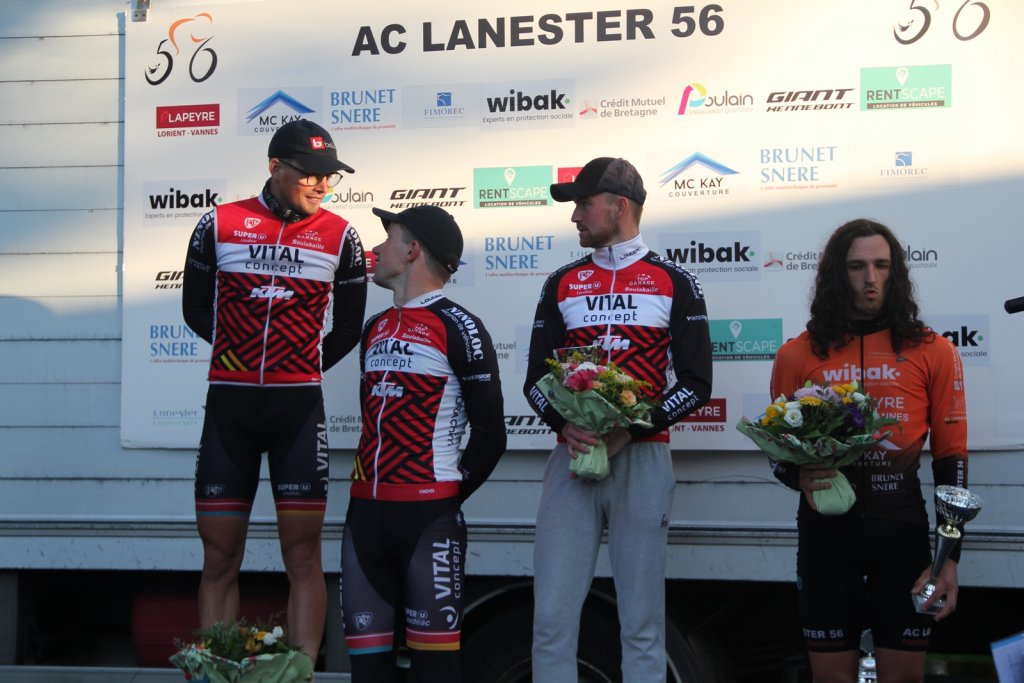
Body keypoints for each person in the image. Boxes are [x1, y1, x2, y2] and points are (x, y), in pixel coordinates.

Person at [182, 118, 367, 667]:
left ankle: (299, 674)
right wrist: (234, 352)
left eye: (329, 176)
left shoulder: (341, 235)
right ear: (275, 167)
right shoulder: (219, 223)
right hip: (230, 410)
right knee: (219, 558)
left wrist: (300, 364)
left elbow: (348, 328)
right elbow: (195, 308)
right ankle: (217, 671)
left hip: (297, 411)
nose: (322, 185)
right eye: (311, 174)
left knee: (303, 557)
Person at [523, 157, 713, 683]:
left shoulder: (674, 281)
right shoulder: (562, 282)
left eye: (584, 204)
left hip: (643, 456)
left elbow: (697, 384)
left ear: (619, 206)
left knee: (642, 622)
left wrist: (632, 430)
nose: (575, 216)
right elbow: (534, 379)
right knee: (551, 619)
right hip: (573, 454)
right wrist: (564, 426)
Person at [769, 218, 968, 683]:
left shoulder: (933, 351)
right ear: (837, 274)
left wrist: (950, 558)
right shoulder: (797, 355)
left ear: (896, 272)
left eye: (881, 265)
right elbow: (778, 452)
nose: (870, 278)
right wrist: (796, 475)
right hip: (825, 541)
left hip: (902, 538)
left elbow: (951, 460)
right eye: (857, 266)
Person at [339, 205, 507, 682]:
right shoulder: (374, 327)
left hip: (427, 522)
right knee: (367, 674)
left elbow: (491, 434)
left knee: (436, 671)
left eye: (387, 238)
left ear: (412, 250)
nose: (375, 249)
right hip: (363, 517)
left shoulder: (459, 326)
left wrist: (444, 496)